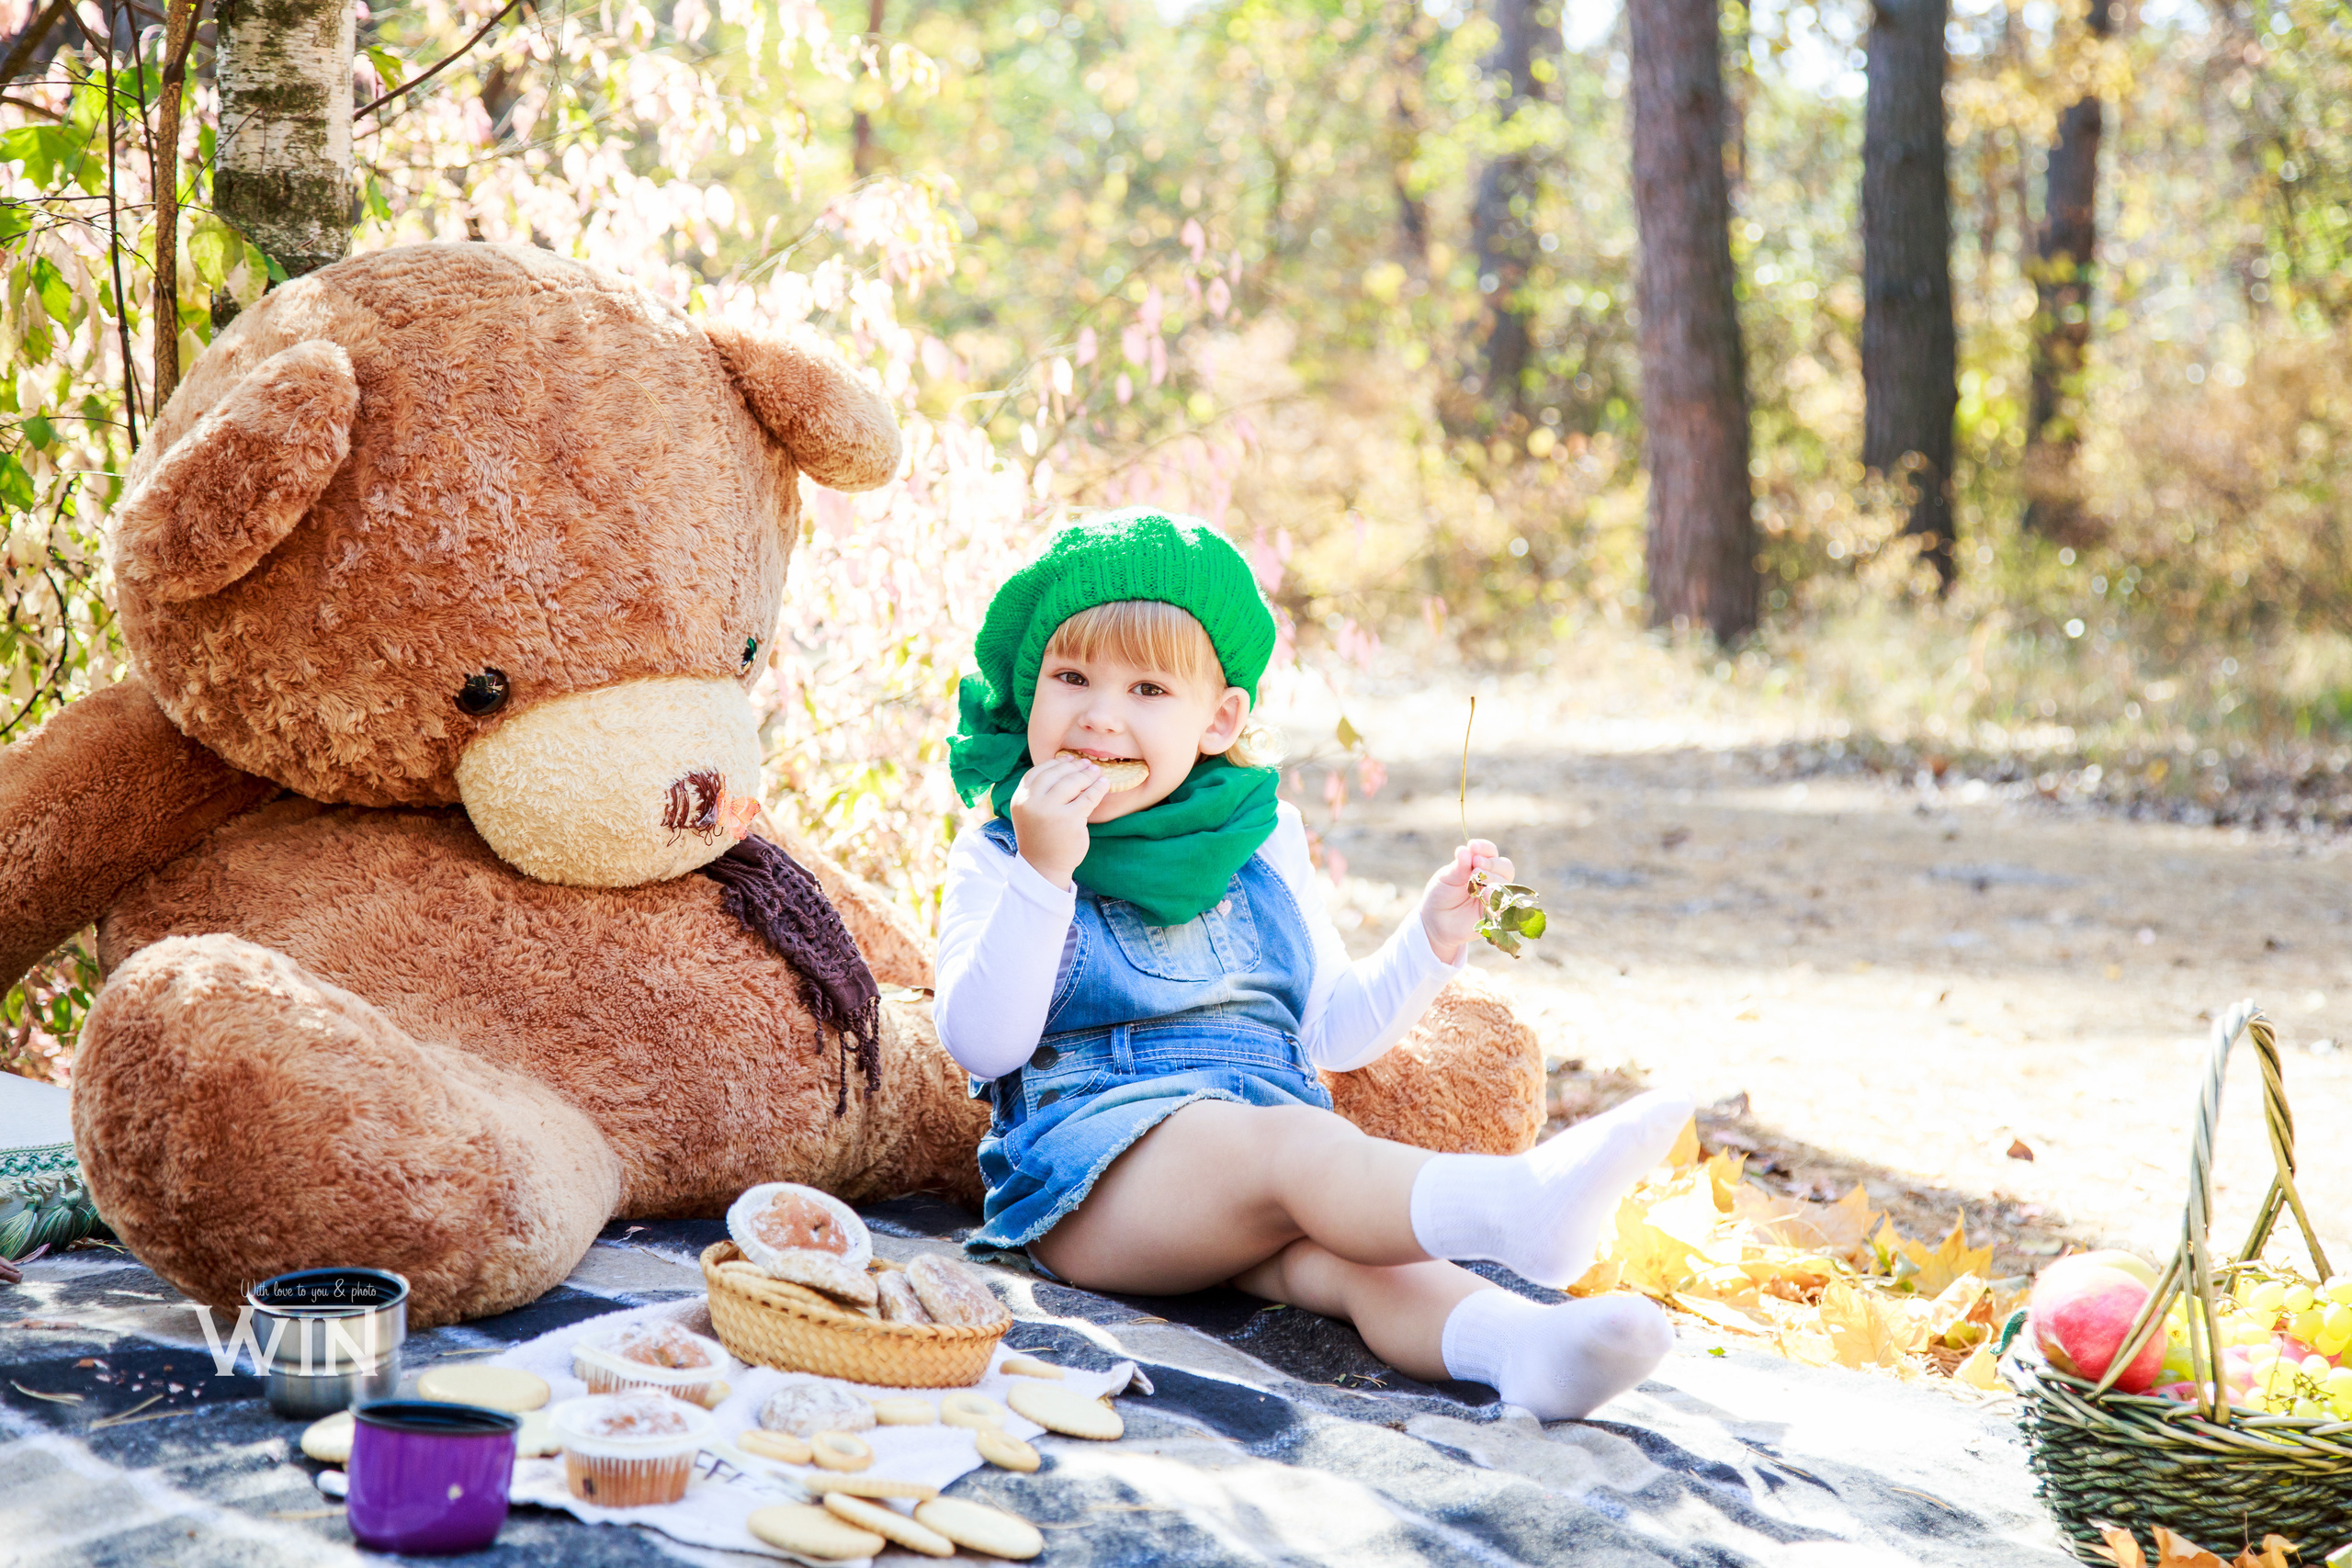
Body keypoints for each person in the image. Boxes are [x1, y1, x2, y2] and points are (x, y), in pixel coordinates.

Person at [935, 508, 1692, 1420]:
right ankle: (1515, 1207)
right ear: (1032, 692)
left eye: (1147, 689)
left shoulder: (1262, 844)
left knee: (1361, 1259)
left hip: (1250, 1171)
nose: (1100, 716)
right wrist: (1044, 870)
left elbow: (1333, 1030)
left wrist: (1430, 940)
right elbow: (982, 1041)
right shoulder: (1004, 854)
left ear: (1218, 720)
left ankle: (1524, 1350)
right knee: (1301, 1148)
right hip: (1089, 1187)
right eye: (1071, 677)